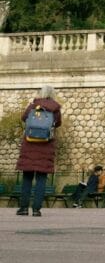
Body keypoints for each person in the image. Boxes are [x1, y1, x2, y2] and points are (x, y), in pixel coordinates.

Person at [15, 85, 62, 217]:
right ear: (52, 94)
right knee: (41, 179)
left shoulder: (32, 106)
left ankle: (23, 208)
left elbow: (24, 118)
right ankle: (36, 210)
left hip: (29, 145)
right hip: (46, 147)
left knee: (27, 178)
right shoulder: (55, 109)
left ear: (40, 93)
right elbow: (58, 123)